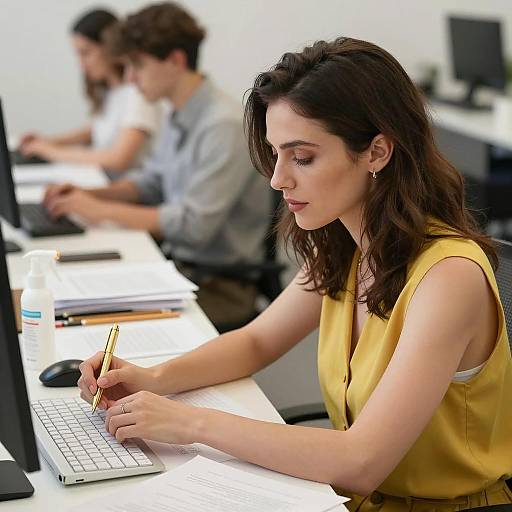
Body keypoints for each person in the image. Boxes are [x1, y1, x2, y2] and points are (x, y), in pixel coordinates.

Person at [77, 37, 512, 511]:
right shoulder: (346, 245)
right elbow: (256, 342)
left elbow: (361, 460)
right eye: (276, 153)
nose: (278, 178)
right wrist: (153, 377)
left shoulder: (448, 277)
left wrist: (186, 423)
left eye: (302, 157)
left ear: (377, 152)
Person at [43, 2, 270, 326]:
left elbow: (194, 226)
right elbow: (151, 183)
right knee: (72, 296)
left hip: (219, 286)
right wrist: (90, 194)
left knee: (84, 319)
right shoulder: (178, 112)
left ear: (175, 60)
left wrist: (100, 210)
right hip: (179, 270)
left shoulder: (223, 125)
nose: (131, 78)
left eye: (137, 65)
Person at [19, 8, 161, 178]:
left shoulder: (139, 93)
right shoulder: (111, 92)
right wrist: (50, 141)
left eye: (86, 53)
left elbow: (119, 159)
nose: (81, 65)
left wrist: (51, 151)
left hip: (127, 192)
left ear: (110, 48)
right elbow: (97, 130)